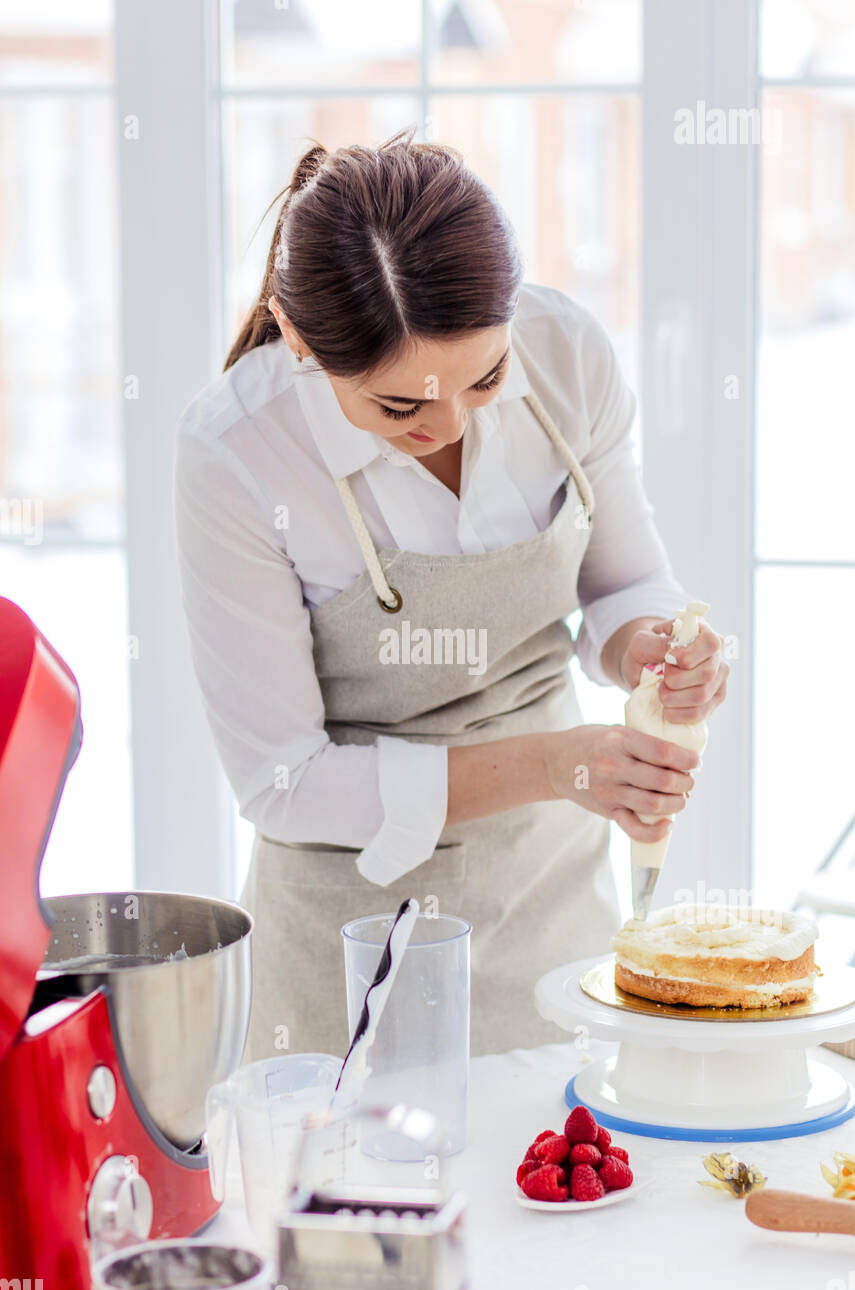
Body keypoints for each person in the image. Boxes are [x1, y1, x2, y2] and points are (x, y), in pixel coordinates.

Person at [175, 129, 728, 1060]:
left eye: (486, 378)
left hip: (551, 895)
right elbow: (285, 781)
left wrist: (650, 647)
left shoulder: (567, 353)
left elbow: (626, 583)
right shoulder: (237, 453)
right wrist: (557, 764)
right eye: (399, 407)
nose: (447, 425)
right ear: (302, 339)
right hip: (353, 936)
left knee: (571, 1174)